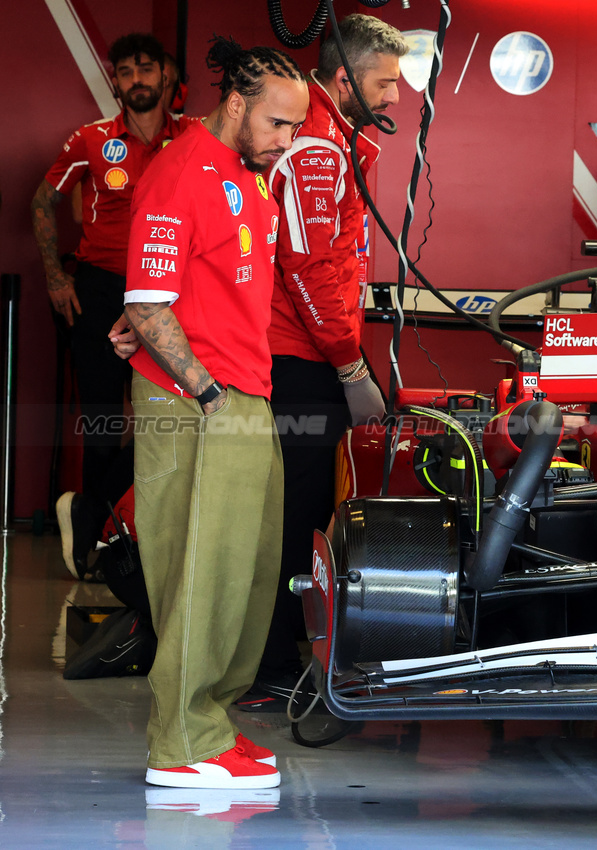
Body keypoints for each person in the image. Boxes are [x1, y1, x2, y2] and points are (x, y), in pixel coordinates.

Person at [120, 35, 308, 789]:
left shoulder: (248, 172)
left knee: (244, 573)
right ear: (235, 105)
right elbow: (147, 302)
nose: (287, 141)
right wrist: (207, 395)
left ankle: (211, 720)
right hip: (199, 398)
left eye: (295, 127)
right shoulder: (180, 171)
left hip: (244, 390)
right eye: (278, 124)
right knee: (197, 572)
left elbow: (182, 287)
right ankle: (181, 743)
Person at [233, 13, 404, 712]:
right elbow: (306, 268)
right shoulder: (316, 147)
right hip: (298, 357)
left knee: (302, 509)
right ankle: (270, 664)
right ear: (343, 77)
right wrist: (350, 367)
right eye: (383, 83)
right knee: (294, 515)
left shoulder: (332, 138)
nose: (394, 96)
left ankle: (283, 653)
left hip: (306, 352)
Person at [33, 33, 197, 574]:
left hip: (168, 294)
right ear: (116, 82)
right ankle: (94, 543)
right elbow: (43, 201)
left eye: (145, 69)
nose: (136, 80)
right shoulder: (92, 138)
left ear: (165, 76)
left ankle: (96, 514)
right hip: (101, 291)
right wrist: (56, 277)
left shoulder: (192, 136)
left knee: (166, 421)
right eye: (125, 72)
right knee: (103, 421)